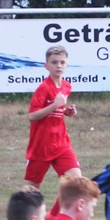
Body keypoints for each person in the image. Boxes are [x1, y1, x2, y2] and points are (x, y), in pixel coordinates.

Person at [24, 45, 81, 187]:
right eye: (54, 62)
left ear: (66, 65)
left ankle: (61, 203)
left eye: (62, 62)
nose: (59, 66)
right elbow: (32, 116)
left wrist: (66, 111)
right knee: (31, 191)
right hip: (41, 146)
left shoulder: (66, 86)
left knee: (76, 183)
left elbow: (57, 111)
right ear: (47, 66)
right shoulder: (44, 88)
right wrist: (54, 105)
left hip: (61, 143)